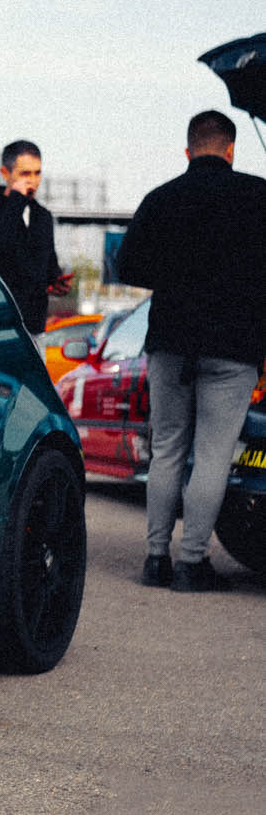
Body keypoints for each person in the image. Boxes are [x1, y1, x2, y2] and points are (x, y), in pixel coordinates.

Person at [115, 109, 266, 591]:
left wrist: (176, 274)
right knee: (213, 455)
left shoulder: (161, 198)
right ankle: (191, 563)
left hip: (170, 343)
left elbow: (127, 266)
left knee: (167, 450)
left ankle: (155, 559)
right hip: (234, 346)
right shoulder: (258, 196)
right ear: (231, 149)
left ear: (188, 150)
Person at [0, 141, 72, 335]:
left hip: (34, 328)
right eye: (25, 174)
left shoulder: (43, 217)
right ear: (5, 173)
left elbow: (49, 265)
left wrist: (57, 282)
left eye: (37, 173)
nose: (32, 181)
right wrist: (16, 201)